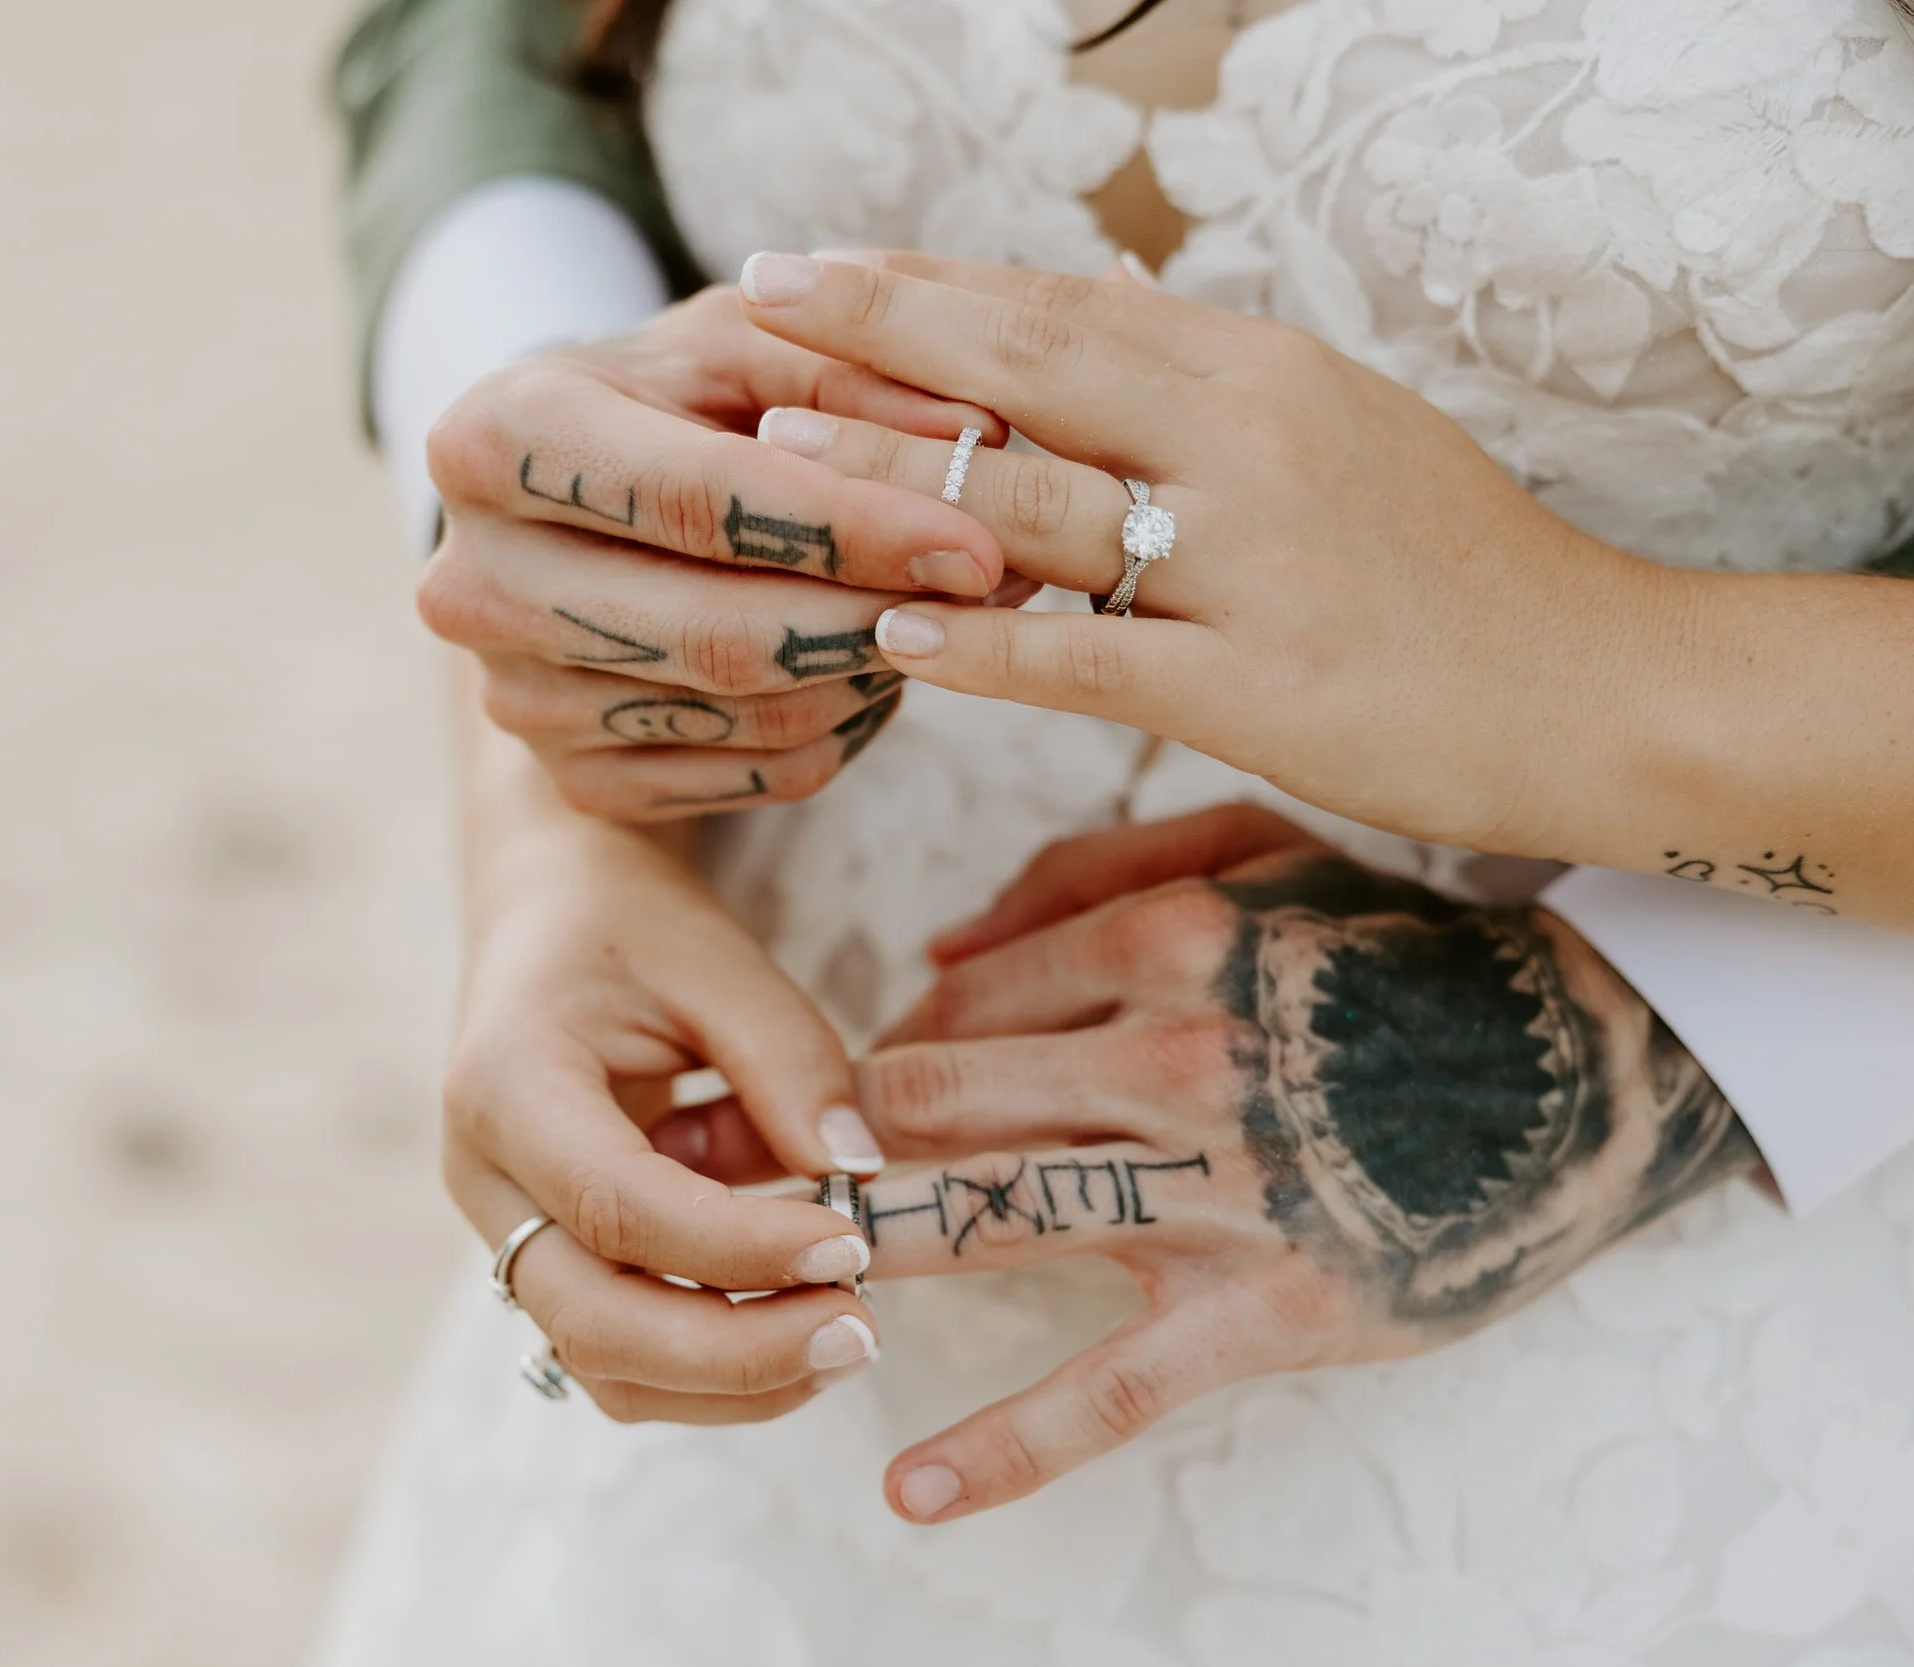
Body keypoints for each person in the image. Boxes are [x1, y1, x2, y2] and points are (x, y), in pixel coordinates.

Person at [314, 0, 1914, 1659]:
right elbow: (475, 48)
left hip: (1669, 1407)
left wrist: (1632, 947)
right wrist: (569, 818)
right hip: (763, 1236)